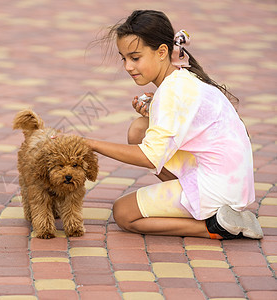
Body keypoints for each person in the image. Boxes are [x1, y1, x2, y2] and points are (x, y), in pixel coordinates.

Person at [85, 10, 263, 239]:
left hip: (218, 187)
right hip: (232, 181)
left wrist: (90, 143)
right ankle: (204, 209)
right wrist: (154, 111)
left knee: (123, 213)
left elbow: (150, 156)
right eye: (124, 58)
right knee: (139, 129)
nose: (128, 66)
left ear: (161, 52)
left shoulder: (172, 92)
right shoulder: (182, 76)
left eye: (135, 57)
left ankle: (216, 226)